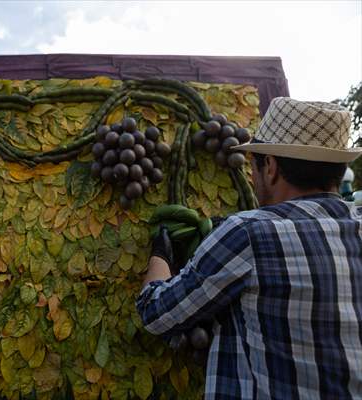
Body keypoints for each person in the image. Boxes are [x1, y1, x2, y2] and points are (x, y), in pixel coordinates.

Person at [136, 97, 362, 399]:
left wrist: (161, 255)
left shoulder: (248, 233)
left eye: (252, 165)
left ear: (270, 167)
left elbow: (157, 313)